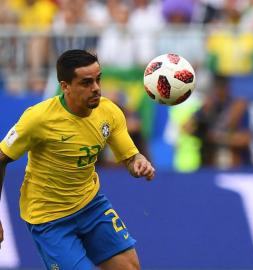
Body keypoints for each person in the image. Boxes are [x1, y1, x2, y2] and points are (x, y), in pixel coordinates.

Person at [0, 49, 155, 270]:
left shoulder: (109, 112)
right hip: (49, 218)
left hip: (91, 205)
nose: (96, 88)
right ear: (65, 86)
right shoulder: (37, 119)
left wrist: (139, 162)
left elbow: (130, 157)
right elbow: (1, 158)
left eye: (98, 79)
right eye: (86, 83)